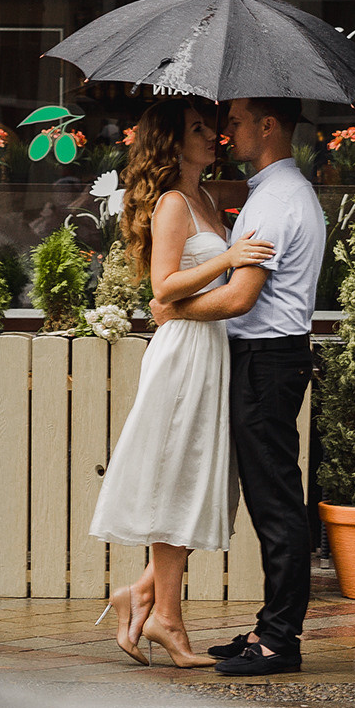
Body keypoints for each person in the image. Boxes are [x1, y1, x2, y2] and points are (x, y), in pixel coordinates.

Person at [90, 98, 275, 668]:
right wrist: (229, 258)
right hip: (184, 353)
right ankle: (165, 618)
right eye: (198, 129)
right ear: (171, 142)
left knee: (193, 478)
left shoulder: (208, 198)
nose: (212, 136)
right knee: (177, 477)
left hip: (210, 349)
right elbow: (163, 287)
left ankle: (144, 597)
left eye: (212, 127)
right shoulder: (172, 202)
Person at [151, 98, 325, 676]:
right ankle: (268, 626)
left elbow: (241, 297)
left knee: (276, 503)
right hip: (271, 358)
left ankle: (279, 640)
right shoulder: (280, 191)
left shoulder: (274, 200)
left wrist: (174, 311)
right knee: (274, 496)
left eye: (237, 120)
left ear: (267, 126)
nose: (227, 130)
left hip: (265, 360)